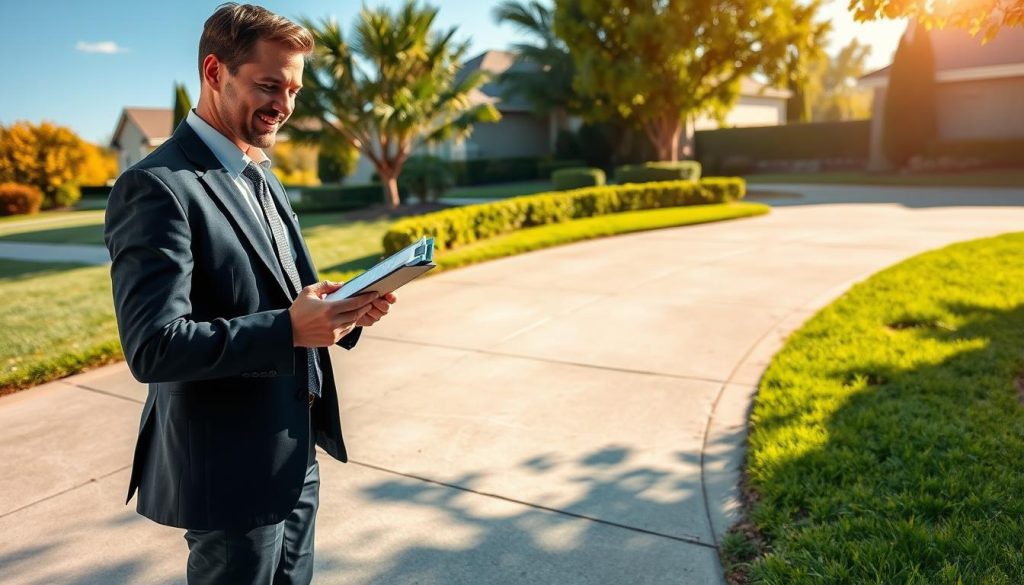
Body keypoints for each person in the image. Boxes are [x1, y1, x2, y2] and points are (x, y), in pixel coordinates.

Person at [103, 4, 395, 583]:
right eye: (268, 85)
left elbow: (283, 291)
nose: (283, 106)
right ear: (215, 72)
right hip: (228, 467)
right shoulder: (156, 187)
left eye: (293, 90)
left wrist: (342, 308)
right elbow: (154, 347)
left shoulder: (259, 172)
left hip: (295, 452)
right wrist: (289, 329)